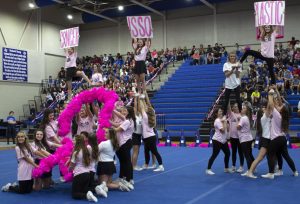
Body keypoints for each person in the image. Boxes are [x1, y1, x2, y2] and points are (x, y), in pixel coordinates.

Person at [261, 87, 298, 179]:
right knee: (284, 155)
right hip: (283, 138)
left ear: (281, 110)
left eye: (280, 106)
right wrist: (276, 91)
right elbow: (278, 103)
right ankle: (294, 171)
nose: (278, 105)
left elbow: (270, 103)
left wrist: (270, 93)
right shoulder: (282, 116)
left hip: (277, 138)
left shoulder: (277, 114)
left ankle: (271, 173)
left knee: (270, 153)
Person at [110, 106, 135, 190]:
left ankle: (128, 179)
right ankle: (122, 177)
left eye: (125, 111)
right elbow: (116, 124)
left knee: (126, 162)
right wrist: (109, 121)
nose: (123, 112)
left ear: (129, 112)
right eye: (123, 110)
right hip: (122, 143)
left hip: (125, 143)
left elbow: (117, 129)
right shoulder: (126, 120)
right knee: (123, 161)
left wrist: (108, 129)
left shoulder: (128, 121)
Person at [69, 134, 99, 202]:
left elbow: (71, 166)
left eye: (74, 140)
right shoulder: (86, 150)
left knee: (75, 194)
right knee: (83, 189)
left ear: (77, 142)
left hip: (79, 174)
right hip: (87, 173)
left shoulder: (76, 152)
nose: (72, 141)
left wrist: (69, 170)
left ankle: (87, 196)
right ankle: (96, 189)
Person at [139, 92, 163, 172]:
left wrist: (141, 99)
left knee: (154, 151)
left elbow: (142, 107)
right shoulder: (151, 116)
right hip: (148, 137)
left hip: (149, 137)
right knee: (146, 151)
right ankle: (146, 164)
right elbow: (147, 107)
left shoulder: (146, 117)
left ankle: (161, 165)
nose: (145, 109)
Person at [206, 108, 231, 175]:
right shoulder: (217, 120)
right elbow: (222, 130)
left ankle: (226, 168)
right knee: (214, 154)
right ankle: (208, 169)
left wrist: (227, 123)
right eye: (219, 111)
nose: (221, 112)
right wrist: (225, 122)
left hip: (223, 140)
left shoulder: (222, 120)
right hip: (217, 140)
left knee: (228, 153)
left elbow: (227, 129)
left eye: (221, 111)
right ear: (216, 113)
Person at [237, 103, 255, 176]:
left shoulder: (243, 118)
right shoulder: (246, 117)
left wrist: (237, 122)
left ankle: (249, 171)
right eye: (242, 108)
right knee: (250, 154)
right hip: (249, 138)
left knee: (247, 155)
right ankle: (253, 168)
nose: (242, 109)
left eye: (244, 108)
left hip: (244, 139)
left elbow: (238, 127)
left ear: (246, 111)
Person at [227, 103, 244, 173]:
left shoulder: (242, 115)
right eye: (234, 107)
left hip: (240, 137)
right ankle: (233, 166)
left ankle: (241, 166)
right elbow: (228, 108)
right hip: (232, 137)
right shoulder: (231, 115)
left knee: (240, 152)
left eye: (237, 106)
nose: (235, 107)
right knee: (234, 152)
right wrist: (228, 100)